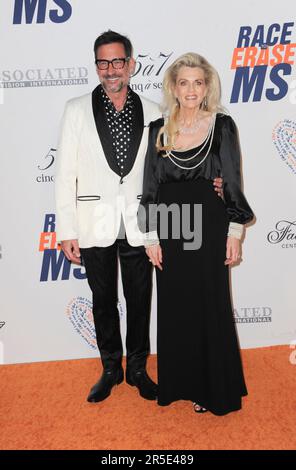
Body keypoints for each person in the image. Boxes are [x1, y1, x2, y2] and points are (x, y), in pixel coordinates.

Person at [55, 32, 223, 404]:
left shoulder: (153, 111)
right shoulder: (76, 109)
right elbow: (64, 173)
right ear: (96, 65)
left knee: (140, 298)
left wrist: (213, 182)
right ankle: (110, 369)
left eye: (118, 62)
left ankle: (137, 369)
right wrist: (65, 228)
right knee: (102, 299)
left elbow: (168, 167)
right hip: (92, 220)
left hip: (140, 221)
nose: (111, 69)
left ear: (130, 65)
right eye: (103, 62)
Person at [139, 52, 254, 415]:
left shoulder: (222, 126)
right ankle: (180, 383)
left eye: (198, 82)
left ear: (207, 87)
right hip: (171, 223)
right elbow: (150, 183)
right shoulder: (159, 127)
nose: (191, 89)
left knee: (210, 302)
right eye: (184, 82)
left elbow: (231, 179)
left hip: (210, 219)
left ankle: (212, 388)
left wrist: (235, 230)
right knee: (175, 306)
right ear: (174, 87)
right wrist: (151, 236)